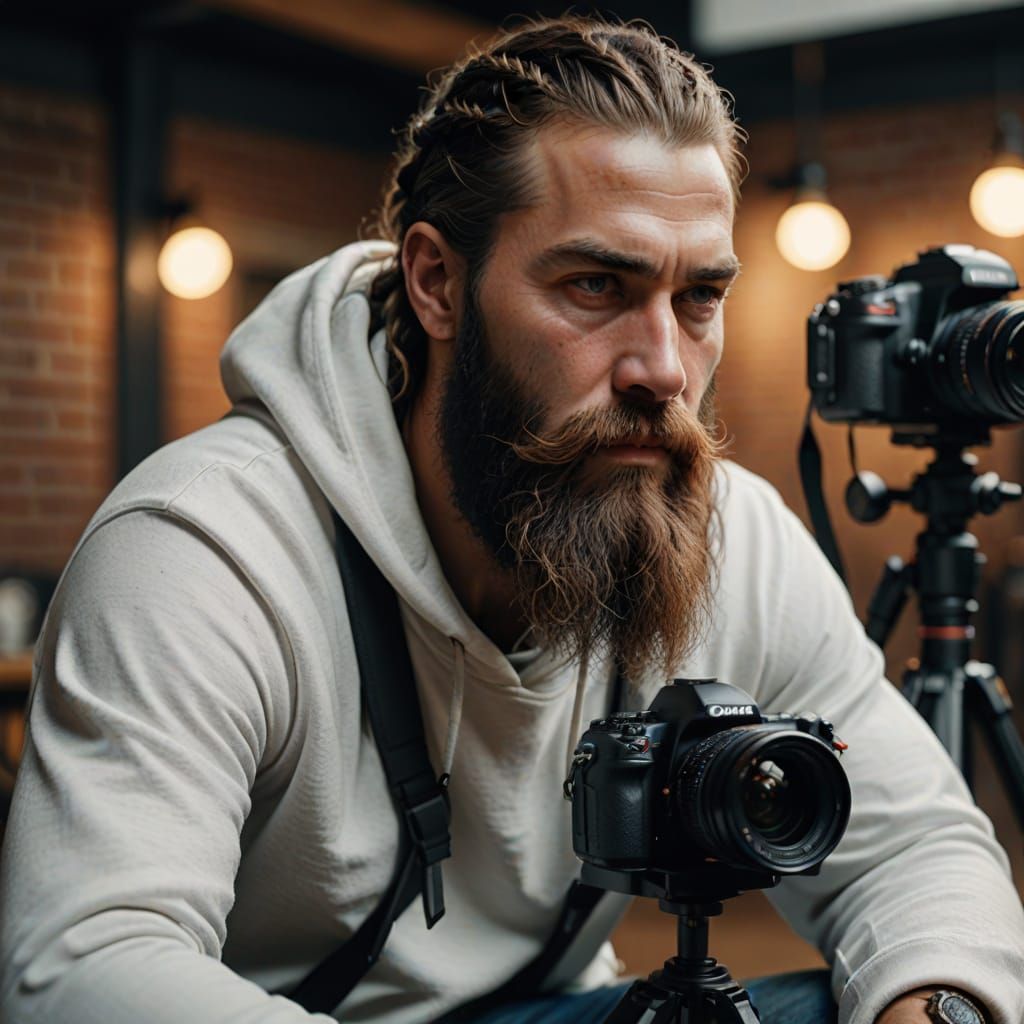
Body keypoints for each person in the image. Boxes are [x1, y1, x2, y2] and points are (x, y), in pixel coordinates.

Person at [1, 15, 1022, 1024]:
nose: (662, 369)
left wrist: (928, 1006)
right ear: (436, 283)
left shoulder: (725, 536)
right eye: (594, 286)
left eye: (698, 297)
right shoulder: (203, 547)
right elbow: (86, 969)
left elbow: (919, 847)